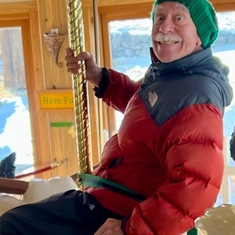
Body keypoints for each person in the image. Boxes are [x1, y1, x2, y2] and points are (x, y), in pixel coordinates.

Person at [0, 0, 233, 234]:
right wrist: (99, 76)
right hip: (107, 200)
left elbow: (195, 186)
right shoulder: (173, 77)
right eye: (160, 17)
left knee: (12, 226)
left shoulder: (194, 94)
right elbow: (144, 110)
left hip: (118, 212)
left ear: (200, 35)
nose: (164, 27)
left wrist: (129, 228)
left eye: (179, 18)